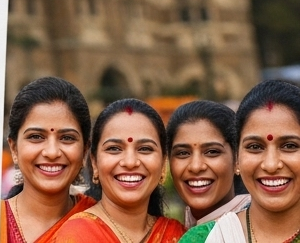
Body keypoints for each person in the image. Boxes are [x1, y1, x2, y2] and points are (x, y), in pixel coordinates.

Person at [181, 80, 300, 243]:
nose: (271, 165)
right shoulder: (203, 239)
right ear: (236, 159)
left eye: (289, 145)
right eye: (255, 147)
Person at [56, 98, 185, 243]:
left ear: (163, 164)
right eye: (114, 149)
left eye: (145, 149)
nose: (130, 162)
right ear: (94, 163)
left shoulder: (180, 236)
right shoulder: (76, 236)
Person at [2, 77, 97, 243]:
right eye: (36, 137)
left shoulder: (102, 227)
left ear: (85, 150)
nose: (52, 152)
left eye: (67, 138)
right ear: (14, 148)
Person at [168, 100, 249, 229]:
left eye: (212, 152)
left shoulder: (257, 231)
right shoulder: (171, 232)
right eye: (183, 153)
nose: (196, 166)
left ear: (237, 160)